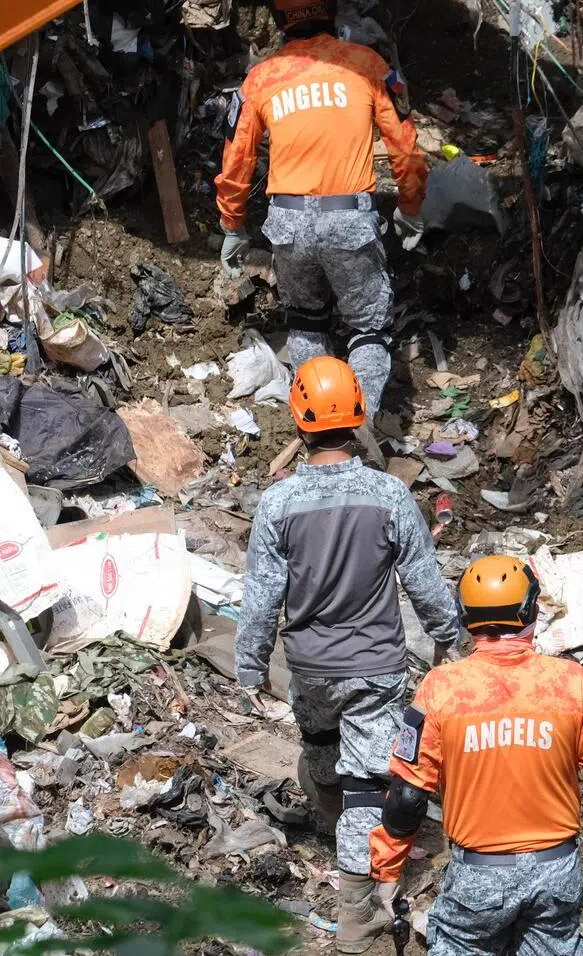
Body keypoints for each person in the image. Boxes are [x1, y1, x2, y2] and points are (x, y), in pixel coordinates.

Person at [235, 355, 458, 954]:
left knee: (319, 749)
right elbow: (424, 582)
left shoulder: (278, 505)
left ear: (299, 422)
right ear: (357, 416)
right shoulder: (389, 496)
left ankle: (331, 828)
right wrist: (448, 635)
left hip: (309, 668)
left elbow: (261, 597)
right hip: (374, 670)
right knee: (368, 786)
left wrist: (251, 665)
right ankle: (360, 925)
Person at [368, 555, 583, 955]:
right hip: (557, 873)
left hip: (479, 877)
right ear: (530, 609)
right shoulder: (571, 683)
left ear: (465, 616)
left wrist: (388, 871)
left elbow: (408, 794)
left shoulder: (442, 689)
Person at [215, 0, 427, 425]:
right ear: (333, 11)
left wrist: (232, 224)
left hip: (287, 224)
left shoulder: (260, 79)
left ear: (279, 21)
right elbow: (405, 150)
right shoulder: (367, 65)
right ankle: (361, 424)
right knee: (368, 329)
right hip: (349, 220)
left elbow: (236, 162)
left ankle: (315, 426)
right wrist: (410, 208)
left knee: (307, 323)